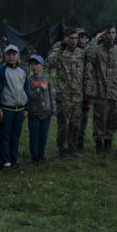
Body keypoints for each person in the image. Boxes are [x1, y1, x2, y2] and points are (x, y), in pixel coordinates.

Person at [85, 23, 117, 154]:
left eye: (113, 33)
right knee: (99, 119)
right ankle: (99, 146)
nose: (111, 36)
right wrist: (96, 39)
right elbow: (87, 55)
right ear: (104, 35)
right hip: (101, 92)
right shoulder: (97, 50)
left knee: (112, 120)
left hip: (114, 92)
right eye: (108, 33)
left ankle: (108, 146)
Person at [46, 27, 85, 161]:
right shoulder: (59, 50)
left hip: (77, 94)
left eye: (76, 38)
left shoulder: (81, 52)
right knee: (64, 124)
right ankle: (63, 150)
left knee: (75, 124)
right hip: (64, 94)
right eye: (71, 38)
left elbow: (86, 73)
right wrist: (60, 50)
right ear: (66, 38)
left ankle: (72, 148)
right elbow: (50, 63)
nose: (74, 41)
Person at [0, 44, 29, 170]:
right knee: (5, 135)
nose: (11, 57)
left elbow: (26, 89)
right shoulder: (1, 71)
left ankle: (14, 159)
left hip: (20, 109)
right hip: (7, 109)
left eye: (13, 54)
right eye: (8, 54)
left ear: (18, 56)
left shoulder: (22, 71)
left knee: (16, 135)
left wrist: (26, 109)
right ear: (5, 56)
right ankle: (5, 161)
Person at [25, 55, 56, 165]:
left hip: (46, 112)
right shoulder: (28, 80)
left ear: (42, 66)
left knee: (43, 136)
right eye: (32, 64)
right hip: (34, 113)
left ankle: (41, 156)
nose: (34, 67)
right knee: (34, 136)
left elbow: (51, 95)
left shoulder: (47, 80)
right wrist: (39, 90)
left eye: (37, 64)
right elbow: (28, 96)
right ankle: (34, 157)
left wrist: (53, 111)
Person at [75, 28, 91, 153]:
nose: (80, 39)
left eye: (82, 37)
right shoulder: (69, 51)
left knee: (84, 120)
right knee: (72, 120)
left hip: (86, 92)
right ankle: (70, 145)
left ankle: (80, 144)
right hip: (72, 92)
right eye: (78, 37)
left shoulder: (89, 52)